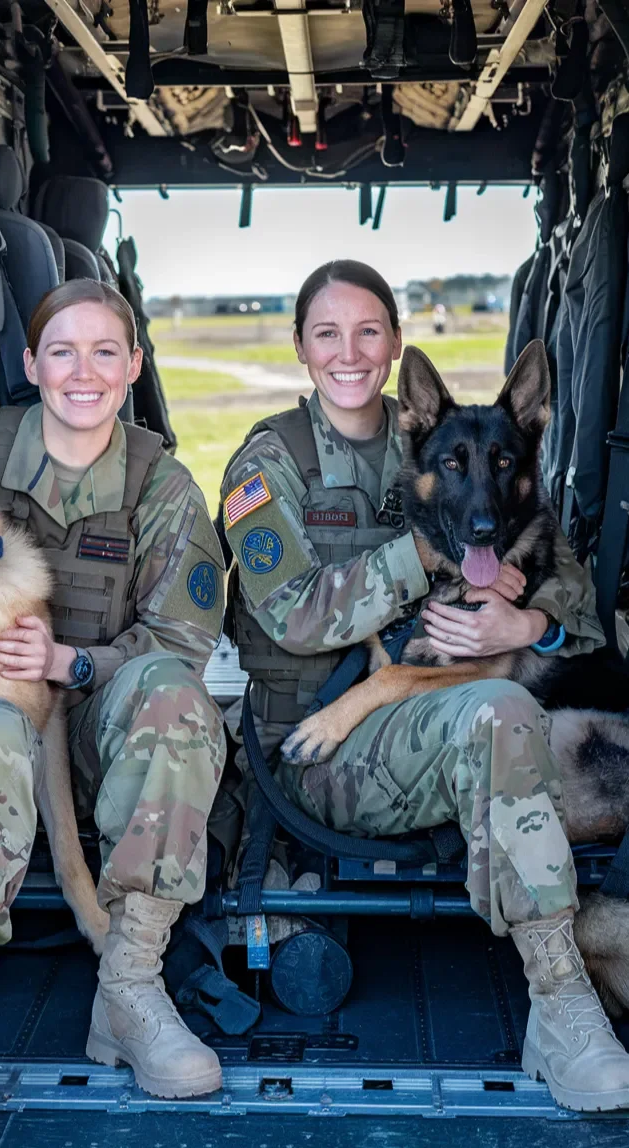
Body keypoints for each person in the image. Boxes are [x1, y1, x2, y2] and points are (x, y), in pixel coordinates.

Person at [220, 259, 629, 1113]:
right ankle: (562, 994)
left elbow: (569, 598)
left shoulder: (447, 449)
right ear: (300, 346)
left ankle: (565, 996)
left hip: (435, 727)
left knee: (502, 702)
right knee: (499, 708)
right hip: (314, 748)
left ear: (397, 347)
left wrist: (527, 624)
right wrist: (432, 558)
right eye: (327, 333)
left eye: (369, 331)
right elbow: (294, 617)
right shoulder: (271, 461)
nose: (349, 351)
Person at [0, 278, 226, 1148]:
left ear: (134, 367)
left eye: (106, 351)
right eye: (61, 351)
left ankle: (129, 987)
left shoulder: (161, 483)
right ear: (31, 363)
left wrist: (74, 662)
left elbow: (183, 641)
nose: (84, 370)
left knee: (177, 700)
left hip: (100, 734)